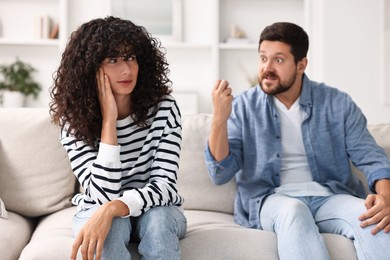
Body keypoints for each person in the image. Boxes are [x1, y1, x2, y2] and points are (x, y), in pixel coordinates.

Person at [205, 22, 390, 260]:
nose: (266, 68)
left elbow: (372, 158)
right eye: (263, 58)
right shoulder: (242, 107)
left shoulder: (337, 103)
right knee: (294, 210)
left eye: (278, 60)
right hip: (271, 200)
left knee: (374, 220)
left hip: (330, 196)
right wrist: (219, 120)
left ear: (301, 65)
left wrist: (385, 198)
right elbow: (220, 173)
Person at [50, 16, 186, 260]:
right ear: (90, 67)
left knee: (158, 221)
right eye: (112, 60)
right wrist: (109, 122)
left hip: (156, 210)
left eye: (130, 57)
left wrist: (114, 208)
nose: (126, 70)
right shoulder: (73, 120)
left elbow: (165, 185)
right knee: (111, 228)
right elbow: (102, 195)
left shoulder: (165, 109)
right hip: (98, 207)